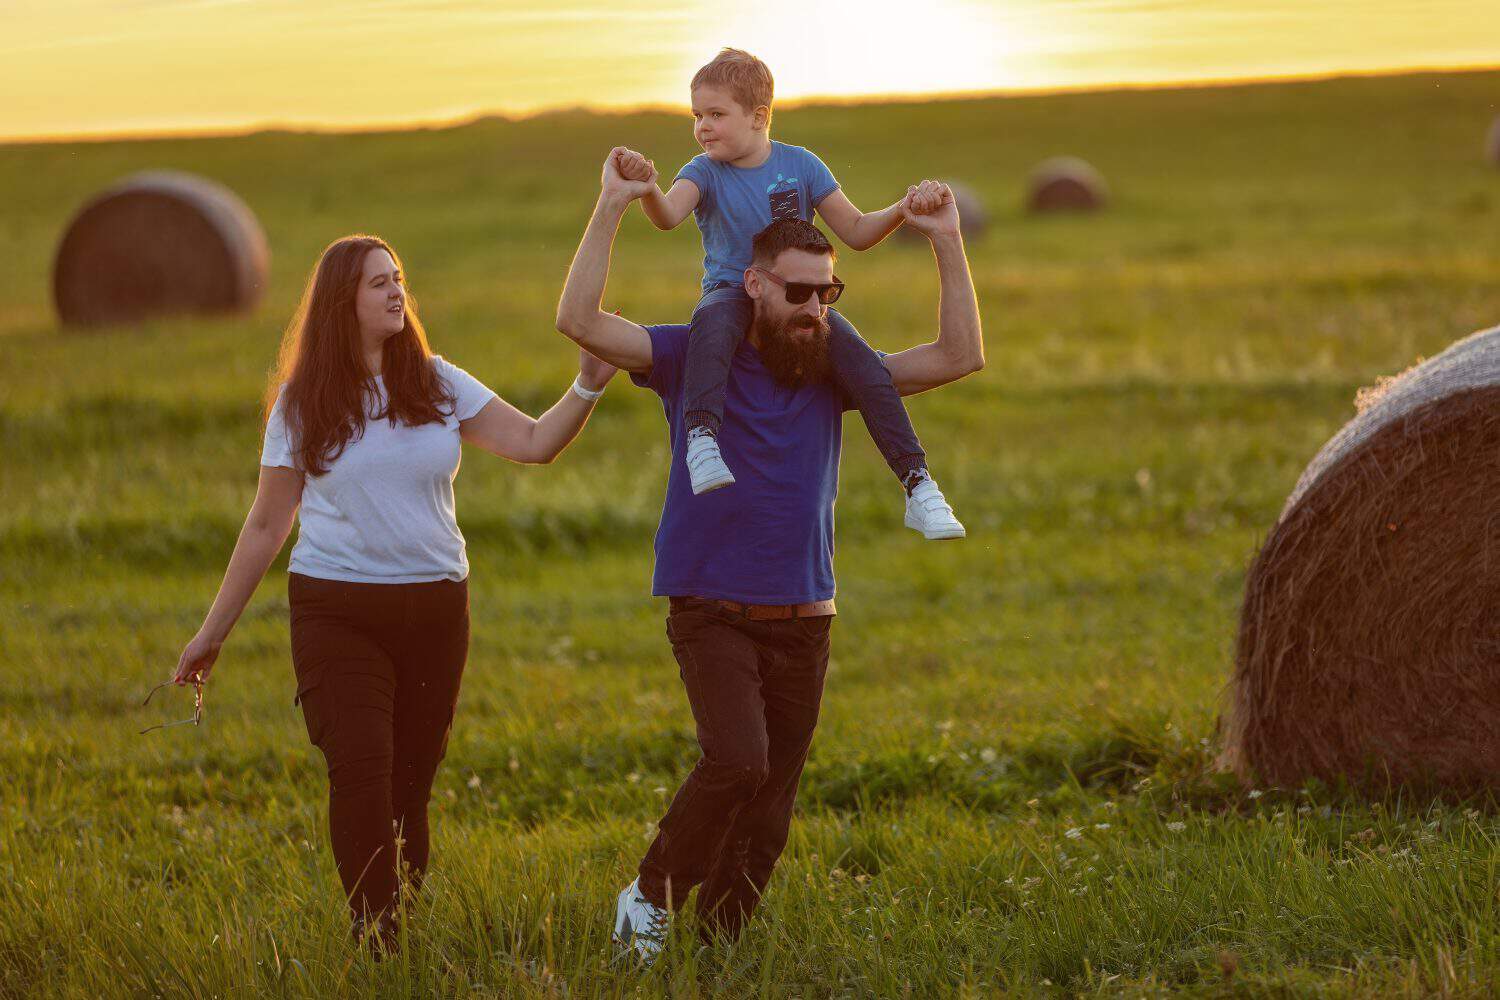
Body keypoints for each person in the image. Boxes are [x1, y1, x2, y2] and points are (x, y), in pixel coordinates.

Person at [555, 152, 984, 960]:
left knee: (769, 820)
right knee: (737, 762)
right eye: (799, 292)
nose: (815, 308)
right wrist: (613, 206)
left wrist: (948, 242)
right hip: (712, 608)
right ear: (754, 284)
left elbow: (958, 356)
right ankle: (648, 898)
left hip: (806, 617)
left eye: (828, 294)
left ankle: (714, 961)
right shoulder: (690, 356)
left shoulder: (832, 367)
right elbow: (581, 323)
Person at [168, 234, 617, 948]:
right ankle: (376, 939)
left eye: (398, 278)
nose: (395, 292)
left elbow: (534, 443)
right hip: (337, 609)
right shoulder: (301, 404)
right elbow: (265, 524)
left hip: (436, 609)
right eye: (378, 283)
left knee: (412, 783)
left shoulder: (438, 383)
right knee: (361, 773)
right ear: (341, 302)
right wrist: (211, 632)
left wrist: (588, 384)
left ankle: (402, 911)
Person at [610, 47, 965, 540]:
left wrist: (905, 210)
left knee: (866, 368)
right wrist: (645, 187)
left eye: (716, 114)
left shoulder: (801, 165)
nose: (702, 127)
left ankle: (917, 483)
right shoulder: (703, 171)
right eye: (696, 115)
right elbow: (668, 216)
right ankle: (702, 440)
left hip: (798, 299)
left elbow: (858, 232)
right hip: (731, 294)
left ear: (758, 117)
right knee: (709, 327)